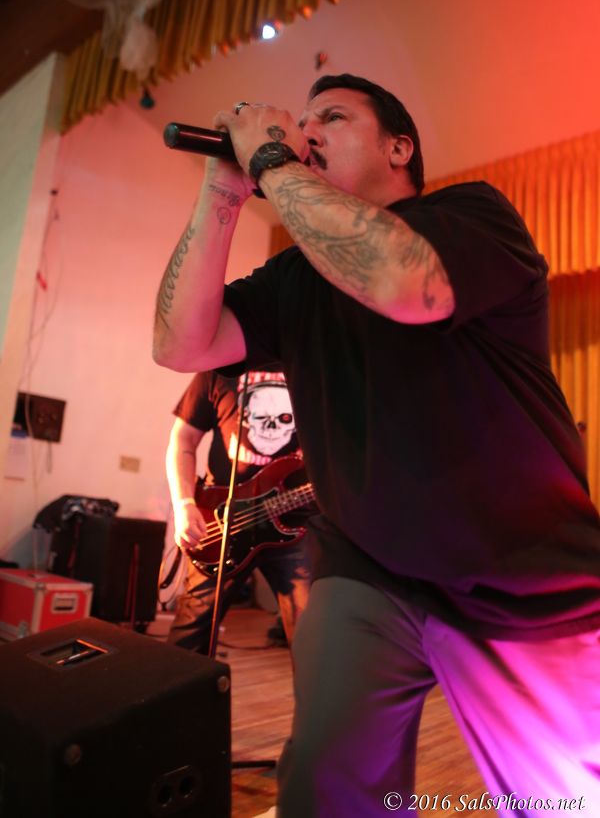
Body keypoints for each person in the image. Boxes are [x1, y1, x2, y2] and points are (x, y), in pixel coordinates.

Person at [153, 74, 600, 816]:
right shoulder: (296, 277)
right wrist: (222, 189)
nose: (307, 131)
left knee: (563, 800)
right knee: (328, 787)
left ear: (400, 148)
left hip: (519, 571)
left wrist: (272, 159)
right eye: (301, 122)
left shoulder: (471, 214)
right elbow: (180, 344)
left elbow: (403, 283)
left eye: (331, 117)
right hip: (365, 564)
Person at [165, 369, 312, 655]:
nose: (272, 427)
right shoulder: (220, 369)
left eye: (283, 420)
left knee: (312, 642)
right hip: (222, 522)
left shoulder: (313, 370)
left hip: (295, 522)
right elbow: (183, 439)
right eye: (261, 419)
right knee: (189, 637)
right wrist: (184, 504)